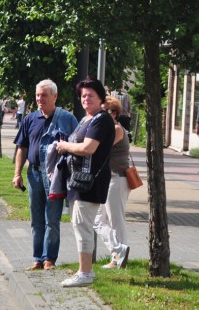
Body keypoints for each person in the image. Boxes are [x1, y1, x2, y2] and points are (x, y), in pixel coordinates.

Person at [55, 77, 116, 287]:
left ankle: (85, 273)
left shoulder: (101, 119)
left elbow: (88, 148)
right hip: (78, 181)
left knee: (83, 226)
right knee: (79, 225)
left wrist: (64, 146)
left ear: (101, 98)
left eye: (91, 95)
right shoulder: (85, 119)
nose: (86, 99)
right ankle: (84, 270)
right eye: (83, 96)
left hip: (90, 182)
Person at [12, 79, 78, 270]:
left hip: (55, 176)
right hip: (33, 174)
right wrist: (17, 173)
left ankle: (49, 258)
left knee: (52, 219)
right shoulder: (30, 119)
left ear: (54, 97)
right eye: (38, 95)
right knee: (36, 218)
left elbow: (75, 147)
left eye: (44, 95)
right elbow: (21, 148)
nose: (40, 99)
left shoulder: (67, 119)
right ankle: (37, 258)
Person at [95, 97, 132, 268]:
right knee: (98, 221)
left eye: (104, 112)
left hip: (117, 179)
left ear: (114, 113)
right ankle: (119, 252)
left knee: (116, 220)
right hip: (109, 180)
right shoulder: (110, 129)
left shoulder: (116, 129)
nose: (100, 115)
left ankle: (118, 259)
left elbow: (99, 148)